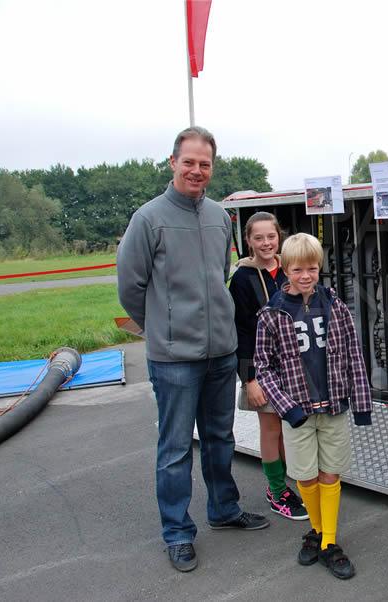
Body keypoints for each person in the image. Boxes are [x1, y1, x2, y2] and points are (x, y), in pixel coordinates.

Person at [117, 126, 269, 573]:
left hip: (221, 352)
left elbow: (219, 276)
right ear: (173, 162)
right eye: (189, 162)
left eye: (205, 164)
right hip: (174, 359)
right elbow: (130, 287)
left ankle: (223, 509)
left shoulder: (221, 217)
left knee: (221, 438)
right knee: (176, 448)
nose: (197, 170)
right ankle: (178, 532)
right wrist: (160, 329)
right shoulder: (149, 219)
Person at [254, 233, 372, 580]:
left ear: (319, 267)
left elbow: (353, 355)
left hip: (333, 406)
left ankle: (329, 542)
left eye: (312, 268)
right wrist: (286, 407)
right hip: (298, 411)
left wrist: (361, 404)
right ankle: (318, 532)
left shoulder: (335, 306)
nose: (305, 276)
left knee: (330, 473)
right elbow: (263, 367)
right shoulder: (271, 314)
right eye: (297, 270)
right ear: (285, 270)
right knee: (305, 475)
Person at [229, 212, 307, 520]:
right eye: (258, 237)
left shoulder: (291, 269)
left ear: (279, 237)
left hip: (295, 366)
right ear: (248, 240)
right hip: (262, 369)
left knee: (292, 427)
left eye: (271, 236)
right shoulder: (242, 279)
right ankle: (276, 491)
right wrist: (249, 379)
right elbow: (241, 331)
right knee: (271, 428)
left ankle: (294, 481)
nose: (266, 243)